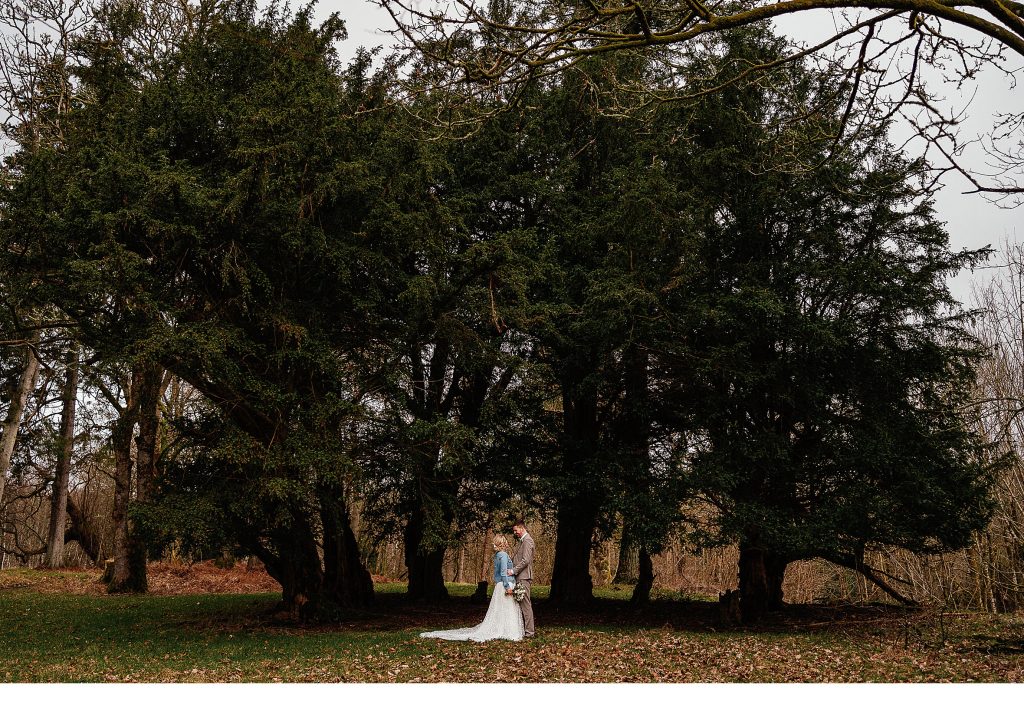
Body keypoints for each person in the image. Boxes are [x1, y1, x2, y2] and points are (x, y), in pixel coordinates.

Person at [419, 534, 525, 642]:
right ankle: (508, 631)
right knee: (507, 609)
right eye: (505, 541)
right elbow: (503, 572)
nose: (507, 543)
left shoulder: (497, 555)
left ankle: (503, 630)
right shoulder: (503, 555)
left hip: (500, 585)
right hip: (505, 585)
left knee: (501, 610)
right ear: (502, 543)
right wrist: (507, 587)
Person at [507, 519, 535, 639]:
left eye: (516, 530)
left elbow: (525, 560)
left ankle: (530, 632)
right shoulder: (522, 541)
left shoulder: (527, 541)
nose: (515, 533)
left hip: (524, 577)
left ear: (521, 528)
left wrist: (513, 571)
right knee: (521, 604)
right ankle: (523, 630)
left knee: (526, 605)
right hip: (520, 576)